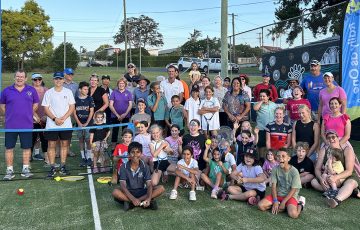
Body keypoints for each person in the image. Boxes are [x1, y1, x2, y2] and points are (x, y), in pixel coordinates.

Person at [0, 70, 40, 180]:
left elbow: (36, 103)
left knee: (26, 148)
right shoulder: (6, 91)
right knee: (9, 148)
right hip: (10, 125)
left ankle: (25, 169)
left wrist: (29, 112)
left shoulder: (31, 90)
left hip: (26, 124)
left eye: (22, 77)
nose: (19, 78)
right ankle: (9, 170)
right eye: (17, 76)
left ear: (26, 78)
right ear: (14, 78)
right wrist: (9, 114)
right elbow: (2, 105)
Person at [311, 130, 360, 208]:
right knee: (313, 182)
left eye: (333, 137)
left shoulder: (347, 149)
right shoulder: (324, 150)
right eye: (328, 138)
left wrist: (336, 177)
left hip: (346, 176)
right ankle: (344, 191)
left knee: (351, 183)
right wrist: (320, 179)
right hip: (330, 176)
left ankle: (336, 200)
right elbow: (317, 168)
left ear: (338, 138)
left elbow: (349, 171)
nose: (331, 139)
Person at [112, 141, 165, 211]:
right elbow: (123, 186)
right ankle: (141, 203)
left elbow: (149, 185)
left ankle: (132, 203)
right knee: (115, 192)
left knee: (161, 188)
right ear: (128, 154)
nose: (135, 155)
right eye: (132, 152)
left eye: (138, 152)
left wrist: (148, 198)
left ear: (141, 154)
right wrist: (133, 198)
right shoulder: (123, 167)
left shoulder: (145, 166)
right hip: (129, 191)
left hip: (142, 191)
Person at [42, 71, 75, 178]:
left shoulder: (68, 92)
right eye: (56, 78)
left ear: (63, 80)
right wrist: (55, 119)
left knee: (64, 145)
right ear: (53, 80)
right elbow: (45, 108)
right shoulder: (49, 92)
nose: (58, 80)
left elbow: (71, 107)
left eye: (60, 79)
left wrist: (63, 119)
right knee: (51, 145)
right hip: (52, 125)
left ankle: (63, 166)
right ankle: (52, 167)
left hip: (66, 124)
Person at [258, 148, 306, 219]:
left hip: (291, 196)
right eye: (278, 156)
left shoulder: (294, 171)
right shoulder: (275, 169)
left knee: (294, 215)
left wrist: (283, 202)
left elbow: (294, 190)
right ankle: (280, 207)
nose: (280, 158)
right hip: (278, 195)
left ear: (289, 158)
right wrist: (275, 200)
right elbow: (273, 187)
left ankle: (300, 204)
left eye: (283, 156)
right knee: (260, 206)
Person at [74, 81, 95, 167]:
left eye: (87, 89)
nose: (86, 90)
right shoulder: (76, 99)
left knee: (88, 140)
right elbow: (74, 112)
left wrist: (87, 123)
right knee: (81, 140)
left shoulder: (90, 98)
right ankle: (83, 157)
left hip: (88, 123)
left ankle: (89, 157)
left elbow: (91, 111)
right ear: (80, 89)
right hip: (79, 124)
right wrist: (79, 123)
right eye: (85, 89)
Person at [253, 89, 277, 159]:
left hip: (271, 129)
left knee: (269, 145)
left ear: (268, 96)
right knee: (260, 145)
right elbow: (255, 108)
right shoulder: (257, 104)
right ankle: (260, 159)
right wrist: (261, 101)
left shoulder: (273, 105)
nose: (262, 98)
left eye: (264, 96)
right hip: (261, 128)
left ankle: (270, 159)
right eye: (260, 96)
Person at [109, 78, 133, 147]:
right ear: (118, 84)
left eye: (123, 83)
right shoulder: (114, 92)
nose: (121, 85)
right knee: (115, 131)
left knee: (125, 131)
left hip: (126, 116)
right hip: (115, 116)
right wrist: (117, 115)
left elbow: (130, 105)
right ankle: (113, 146)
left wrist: (125, 114)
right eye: (120, 83)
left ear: (125, 85)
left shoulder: (128, 93)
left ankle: (125, 146)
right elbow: (110, 105)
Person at [31, 73, 47, 162]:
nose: (37, 81)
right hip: (31, 118)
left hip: (44, 118)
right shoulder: (28, 90)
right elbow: (27, 105)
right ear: (32, 80)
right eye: (35, 79)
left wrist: (46, 116)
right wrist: (35, 116)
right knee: (32, 138)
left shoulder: (46, 90)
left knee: (43, 138)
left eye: (39, 79)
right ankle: (29, 156)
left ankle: (37, 153)